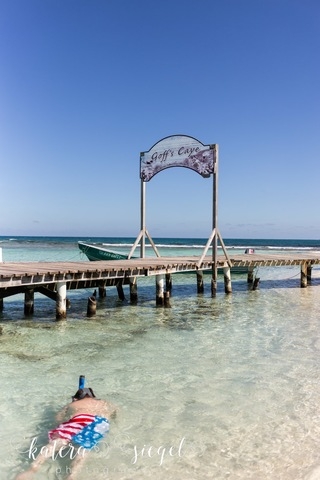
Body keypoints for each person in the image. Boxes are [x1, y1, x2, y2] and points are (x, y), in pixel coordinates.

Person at [16, 385, 116, 480]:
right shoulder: (105, 403)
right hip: (98, 423)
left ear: (76, 398)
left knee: (57, 442)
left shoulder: (72, 404)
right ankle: (72, 475)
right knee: (83, 448)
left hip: (79, 420)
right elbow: (114, 414)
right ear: (93, 396)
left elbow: (58, 419)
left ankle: (33, 468)